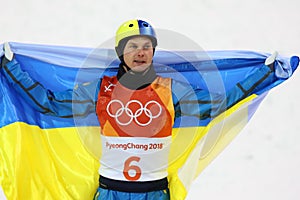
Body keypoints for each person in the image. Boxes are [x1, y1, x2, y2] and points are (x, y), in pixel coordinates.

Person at [1, 19, 281, 200]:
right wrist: (9, 67)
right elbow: (47, 104)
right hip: (110, 193)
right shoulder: (102, 89)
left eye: (147, 46)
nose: (140, 52)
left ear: (153, 52)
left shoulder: (171, 89)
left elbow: (219, 104)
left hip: (155, 193)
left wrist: (266, 74)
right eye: (132, 46)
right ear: (120, 51)